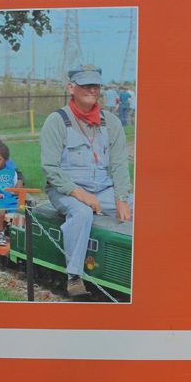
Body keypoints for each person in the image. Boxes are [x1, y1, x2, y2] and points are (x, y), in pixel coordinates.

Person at [40, 65, 132, 298]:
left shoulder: (110, 122)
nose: (91, 90)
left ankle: (136, 269)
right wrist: (80, 194)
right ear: (71, 87)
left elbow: (120, 164)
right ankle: (74, 277)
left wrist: (122, 198)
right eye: (85, 85)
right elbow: (50, 168)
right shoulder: (57, 121)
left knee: (139, 205)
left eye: (95, 85)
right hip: (66, 190)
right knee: (82, 214)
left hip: (103, 188)